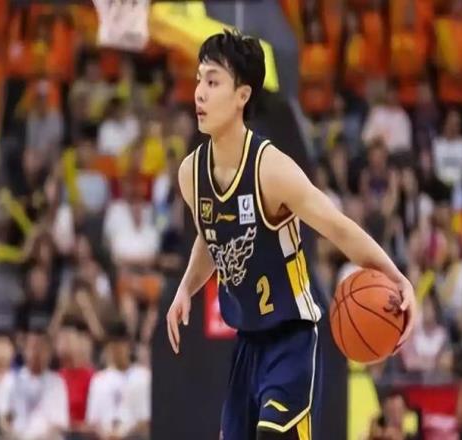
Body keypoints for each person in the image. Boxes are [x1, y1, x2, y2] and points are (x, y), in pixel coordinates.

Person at [166, 30, 417, 440]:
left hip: (291, 339)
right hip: (246, 344)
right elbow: (210, 238)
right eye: (198, 80)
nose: (199, 93)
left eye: (212, 82)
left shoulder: (271, 169)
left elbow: (337, 226)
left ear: (242, 95)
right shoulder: (190, 174)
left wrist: (398, 277)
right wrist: (185, 289)